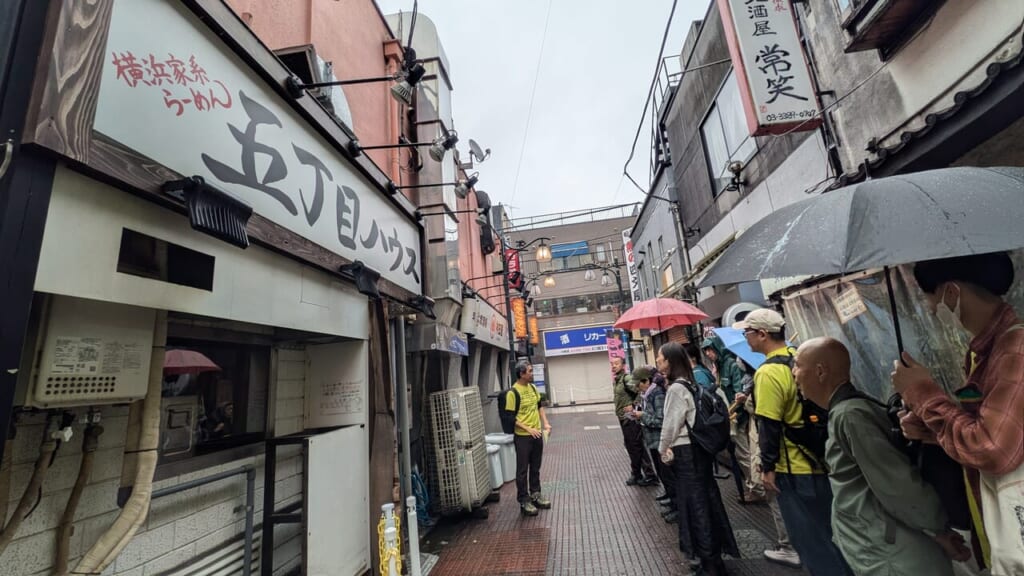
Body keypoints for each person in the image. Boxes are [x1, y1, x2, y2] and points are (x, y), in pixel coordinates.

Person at [892, 251, 1024, 573]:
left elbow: (992, 449)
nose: (929, 309)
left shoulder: (1016, 348)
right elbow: (988, 429)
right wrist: (932, 429)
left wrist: (922, 393)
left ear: (951, 293)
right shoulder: (983, 352)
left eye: (929, 298)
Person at [796, 337, 971, 575]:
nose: (794, 373)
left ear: (820, 371)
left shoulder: (851, 415)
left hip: (894, 556)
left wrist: (939, 529)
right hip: (882, 548)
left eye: (797, 365)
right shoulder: (845, 412)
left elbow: (896, 482)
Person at [737, 309, 852, 576]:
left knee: (810, 544)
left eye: (748, 333)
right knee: (832, 537)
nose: (746, 338)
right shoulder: (799, 358)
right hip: (821, 459)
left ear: (762, 334)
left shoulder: (767, 373)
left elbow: (769, 424)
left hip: (793, 468)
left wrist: (768, 468)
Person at [659, 342, 739, 576]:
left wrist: (663, 449)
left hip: (686, 456)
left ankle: (709, 564)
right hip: (699, 452)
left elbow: (671, 425)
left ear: (671, 362)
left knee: (696, 508)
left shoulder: (676, 389)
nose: (658, 363)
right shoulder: (691, 383)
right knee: (707, 502)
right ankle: (714, 558)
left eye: (661, 359)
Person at [632, 366, 677, 523]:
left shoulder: (656, 394)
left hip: (660, 441)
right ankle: (672, 502)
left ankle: (677, 507)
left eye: (638, 384)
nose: (637, 387)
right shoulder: (647, 394)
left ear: (646, 381)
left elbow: (660, 420)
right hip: (652, 441)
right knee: (663, 474)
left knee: (669, 475)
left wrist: (642, 416)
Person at [508, 360, 552, 516]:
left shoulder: (533, 388)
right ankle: (524, 500)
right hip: (523, 437)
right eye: (530, 371)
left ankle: (535, 494)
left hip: (537, 435)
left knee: (535, 467)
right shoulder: (513, 392)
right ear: (522, 374)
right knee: (522, 470)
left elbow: (539, 406)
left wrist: (545, 423)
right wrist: (528, 429)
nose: (532, 374)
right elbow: (510, 417)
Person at [613, 356, 656, 486]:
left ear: (623, 365)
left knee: (635, 447)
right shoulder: (618, 380)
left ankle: (639, 474)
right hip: (623, 418)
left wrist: (634, 405)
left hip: (630, 418)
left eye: (616, 363)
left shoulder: (626, 379)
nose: (613, 366)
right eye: (612, 364)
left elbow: (639, 390)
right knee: (633, 446)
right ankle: (645, 474)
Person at [701, 335, 743, 403]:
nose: (707, 353)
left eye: (709, 350)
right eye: (705, 351)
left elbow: (738, 392)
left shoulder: (732, 365)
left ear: (717, 348)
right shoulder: (718, 366)